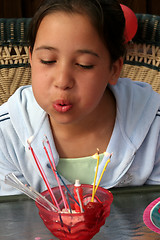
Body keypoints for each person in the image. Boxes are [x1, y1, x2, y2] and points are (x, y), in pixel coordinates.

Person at [0, 0, 160, 196]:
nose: (62, 81)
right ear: (31, 59)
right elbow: (11, 220)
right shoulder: (7, 134)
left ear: (114, 69)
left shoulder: (153, 128)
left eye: (84, 65)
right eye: (47, 61)